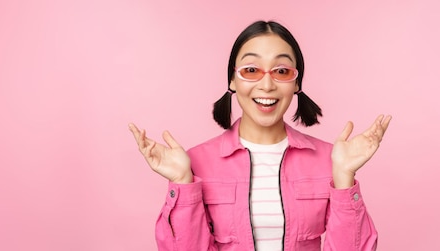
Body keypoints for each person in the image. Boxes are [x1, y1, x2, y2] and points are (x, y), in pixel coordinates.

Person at [128, 20, 391, 251]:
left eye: (281, 71)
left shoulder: (330, 160)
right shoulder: (194, 162)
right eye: (251, 70)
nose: (267, 84)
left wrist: (344, 177)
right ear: (232, 80)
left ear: (297, 83)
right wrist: (183, 182)